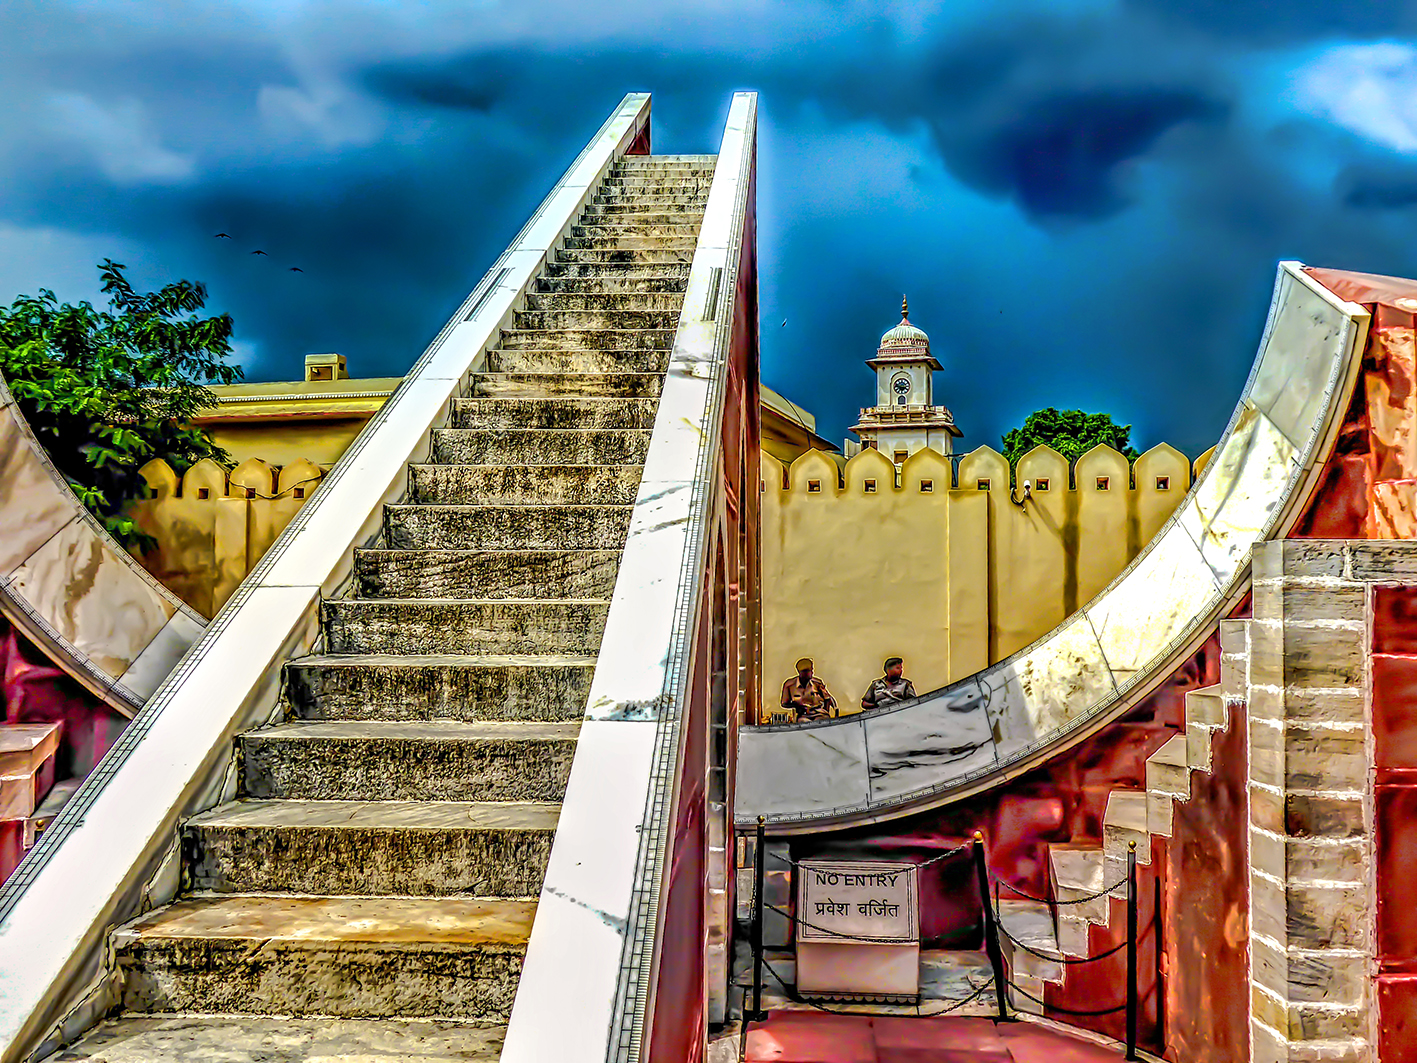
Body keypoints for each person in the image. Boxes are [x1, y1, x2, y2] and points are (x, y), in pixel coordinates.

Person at [780, 657, 837, 722]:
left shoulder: (817, 683)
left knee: (820, 721)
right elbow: (784, 703)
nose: (812, 672)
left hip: (819, 713)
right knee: (804, 723)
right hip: (803, 715)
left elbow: (828, 698)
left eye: (812, 670)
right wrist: (797, 706)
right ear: (800, 672)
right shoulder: (790, 685)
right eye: (809, 671)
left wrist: (826, 711)